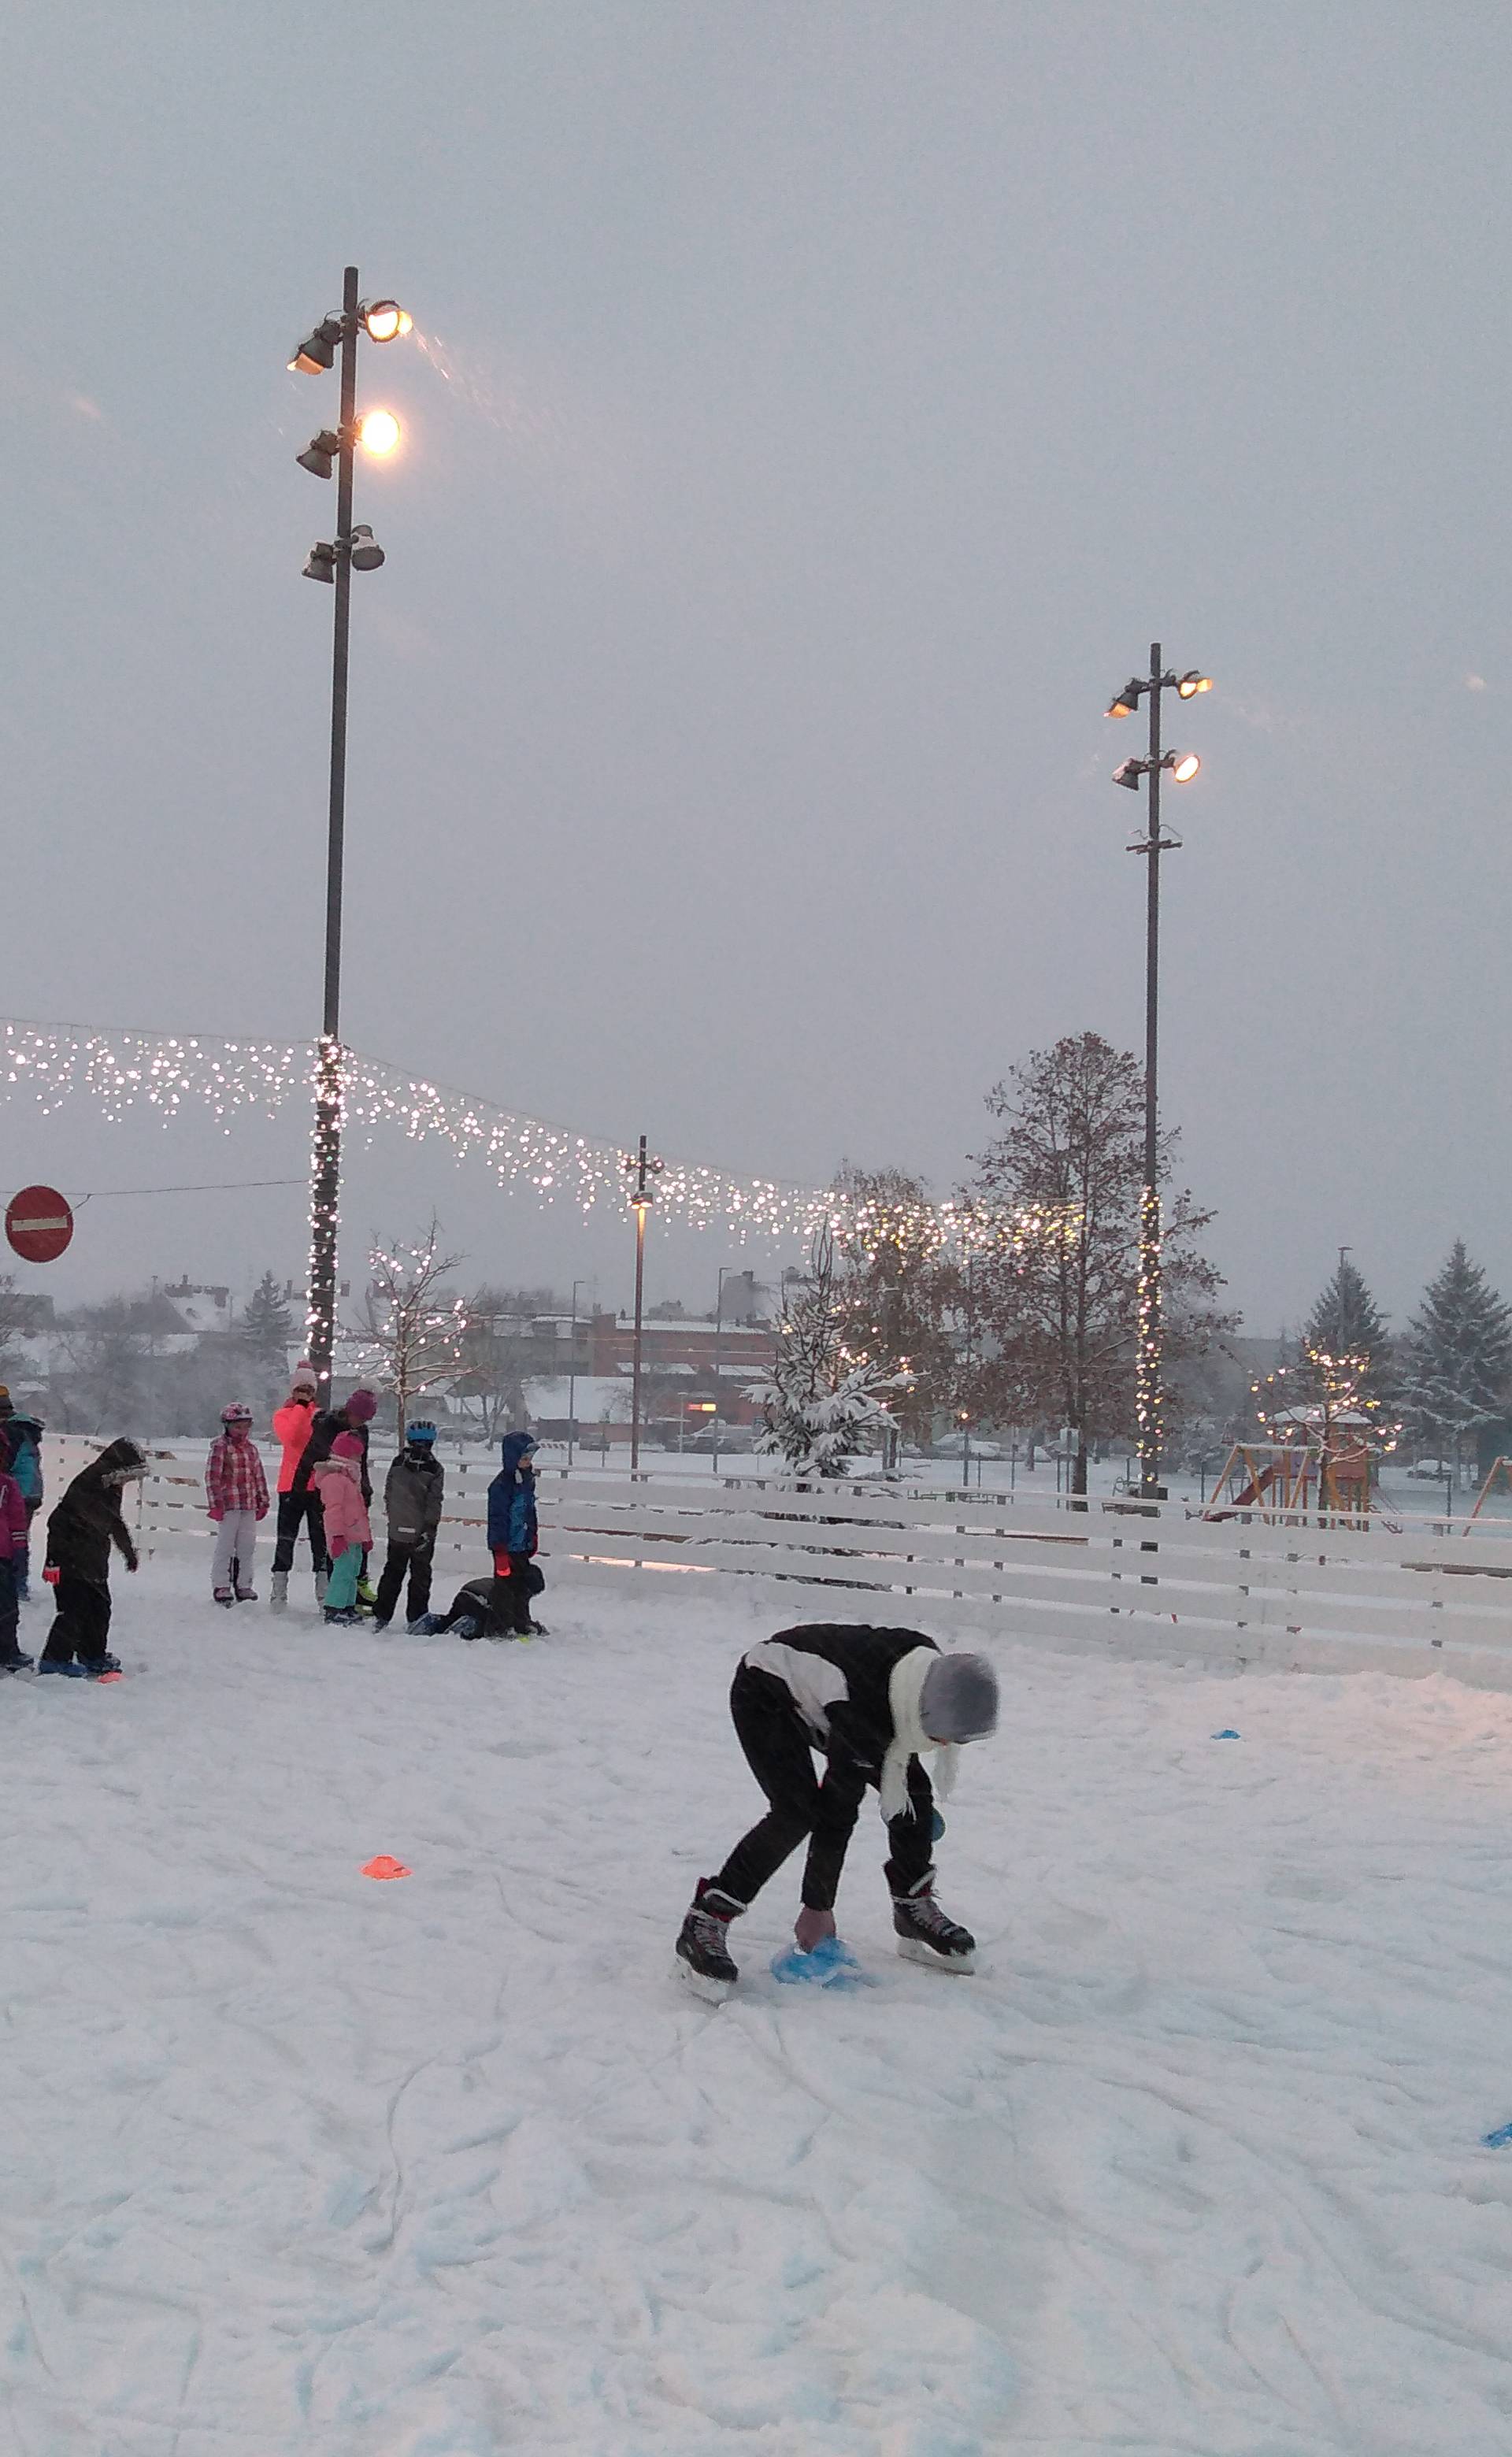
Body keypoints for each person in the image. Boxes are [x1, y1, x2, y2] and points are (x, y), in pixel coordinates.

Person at [674, 1625, 999, 1999]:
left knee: (914, 1794)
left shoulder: (927, 1672)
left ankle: (912, 1907)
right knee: (797, 1812)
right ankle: (706, 1919)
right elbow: (837, 1809)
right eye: (945, 1735)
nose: (945, 1744)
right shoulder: (862, 1708)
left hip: (840, 1699)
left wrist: (914, 1821)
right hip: (764, 1691)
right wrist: (818, 1906)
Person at [37, 1438, 148, 1678]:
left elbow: (114, 1521)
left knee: (99, 1608)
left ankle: (92, 1654)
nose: (130, 1482)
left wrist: (128, 1552)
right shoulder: (90, 1484)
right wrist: (53, 1560)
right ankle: (55, 1660)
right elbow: (57, 1522)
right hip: (71, 1559)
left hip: (94, 1561)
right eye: (129, 1475)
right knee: (73, 1610)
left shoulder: (111, 1488)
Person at [290, 1386, 379, 1606]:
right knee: (335, 1547)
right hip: (327, 1492)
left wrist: (364, 1490)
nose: (361, 1422)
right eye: (360, 1417)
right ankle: (333, 1600)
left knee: (355, 1552)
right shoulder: (326, 1428)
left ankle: (352, 1597)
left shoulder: (360, 1433)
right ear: (350, 1412)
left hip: (352, 1492)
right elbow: (310, 1456)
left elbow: (360, 1465)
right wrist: (299, 1490)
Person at [373, 1421, 444, 1630]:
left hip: (398, 1529)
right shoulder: (435, 1468)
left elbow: (389, 1493)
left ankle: (382, 1614)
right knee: (420, 1575)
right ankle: (417, 1616)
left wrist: (395, 1518)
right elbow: (434, 1501)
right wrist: (429, 1528)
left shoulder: (398, 1463)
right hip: (421, 1532)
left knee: (393, 1572)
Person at [205, 1401, 270, 1604]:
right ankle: (221, 1584)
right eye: (237, 1427)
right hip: (229, 1504)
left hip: (248, 1504)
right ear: (228, 1426)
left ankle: (244, 1584)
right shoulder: (220, 1448)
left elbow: (258, 1476)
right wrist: (215, 1504)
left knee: (247, 1546)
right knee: (226, 1545)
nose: (242, 1432)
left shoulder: (251, 1450)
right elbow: (212, 1477)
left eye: (245, 1427)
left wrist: (263, 1500)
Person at [269, 1363, 322, 1612]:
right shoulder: (282, 1415)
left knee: (320, 1540)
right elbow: (291, 1437)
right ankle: (278, 1592)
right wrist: (300, 1409)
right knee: (286, 1539)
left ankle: (324, 1594)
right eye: (300, 1388)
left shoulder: (320, 1416)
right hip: (291, 1486)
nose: (305, 1393)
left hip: (317, 1485)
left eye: (309, 1389)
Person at [485, 1430, 545, 1636]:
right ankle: (502, 1624)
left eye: (529, 1459)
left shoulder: (527, 1482)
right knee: (505, 1587)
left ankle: (522, 1620)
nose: (527, 1462)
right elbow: (497, 1519)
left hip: (521, 1545)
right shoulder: (501, 1486)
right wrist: (499, 1548)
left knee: (522, 1586)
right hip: (505, 1546)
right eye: (524, 1458)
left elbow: (530, 1512)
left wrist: (533, 1536)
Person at [312, 1432, 372, 1625]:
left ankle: (348, 1605)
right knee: (342, 1572)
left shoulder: (350, 1478)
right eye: (357, 1455)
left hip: (354, 1534)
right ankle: (334, 1607)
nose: (359, 1459)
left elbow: (359, 1511)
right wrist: (337, 1536)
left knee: (353, 1571)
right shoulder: (334, 1479)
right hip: (342, 1535)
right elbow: (333, 1511)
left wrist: (365, 1537)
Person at [0, 1389, 45, 1601]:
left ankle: (16, 1585)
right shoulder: (24, 1428)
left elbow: (5, 1463)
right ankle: (19, 1583)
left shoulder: (9, 1431)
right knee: (18, 1536)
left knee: (9, 1538)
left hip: (16, 1491)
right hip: (31, 1490)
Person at [0, 1455, 33, 1672]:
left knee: (6, 1605)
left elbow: (16, 1519)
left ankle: (7, 1650)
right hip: (3, 1552)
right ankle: (7, 1651)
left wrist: (19, 1549)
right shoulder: (8, 1485)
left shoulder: (8, 1485)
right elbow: (16, 1519)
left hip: (3, 1552)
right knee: (6, 1606)